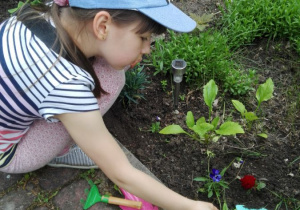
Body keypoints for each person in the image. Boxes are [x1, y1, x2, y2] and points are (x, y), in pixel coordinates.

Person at [0, 0, 218, 209]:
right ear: (102, 25)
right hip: (10, 152)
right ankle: (63, 153)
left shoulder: (50, 11)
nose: (147, 50)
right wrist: (190, 206)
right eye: (142, 38)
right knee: (110, 79)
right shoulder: (64, 83)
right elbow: (121, 173)